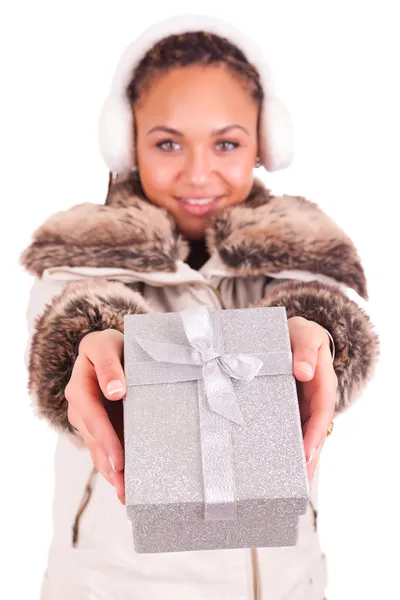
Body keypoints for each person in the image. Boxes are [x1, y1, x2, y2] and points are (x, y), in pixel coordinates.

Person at [21, 14, 380, 600]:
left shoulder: (305, 261)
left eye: (227, 143)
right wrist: (93, 343)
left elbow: (336, 335)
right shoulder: (75, 265)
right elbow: (63, 325)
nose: (197, 172)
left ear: (265, 142)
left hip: (290, 581)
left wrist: (317, 334)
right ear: (126, 142)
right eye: (167, 142)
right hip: (116, 586)